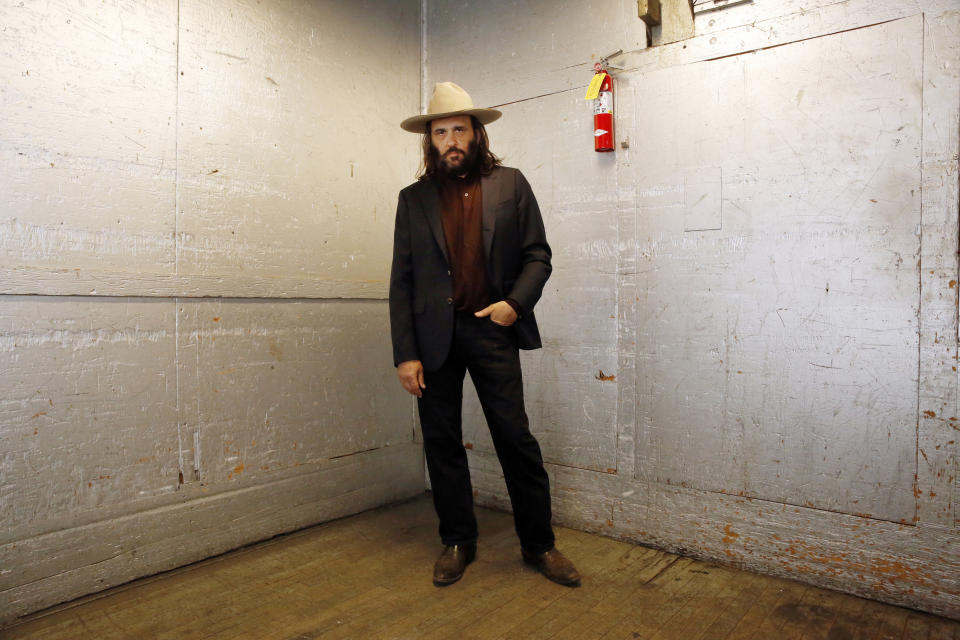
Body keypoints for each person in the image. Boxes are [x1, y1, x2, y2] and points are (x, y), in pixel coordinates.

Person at [389, 82, 581, 588]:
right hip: (433, 341)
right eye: (440, 131)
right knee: (442, 441)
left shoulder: (511, 185)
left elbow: (538, 256)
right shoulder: (413, 201)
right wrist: (405, 355)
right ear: (429, 141)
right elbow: (402, 282)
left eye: (459, 128)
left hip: (491, 330)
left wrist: (513, 305)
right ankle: (457, 541)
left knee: (515, 439)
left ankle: (540, 545)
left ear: (477, 133)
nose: (451, 139)